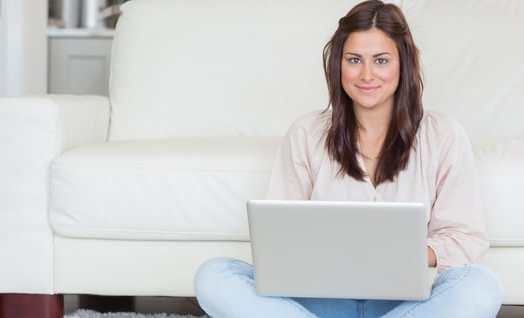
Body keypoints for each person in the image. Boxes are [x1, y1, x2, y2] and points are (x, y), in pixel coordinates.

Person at [193, 0, 504, 317]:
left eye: (381, 60)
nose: (367, 74)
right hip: (319, 301)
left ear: (403, 64)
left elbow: (465, 239)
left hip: (407, 303)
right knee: (214, 276)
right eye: (354, 60)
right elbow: (280, 238)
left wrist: (398, 255)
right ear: (338, 65)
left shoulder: (443, 135)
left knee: (481, 286)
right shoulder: (306, 132)